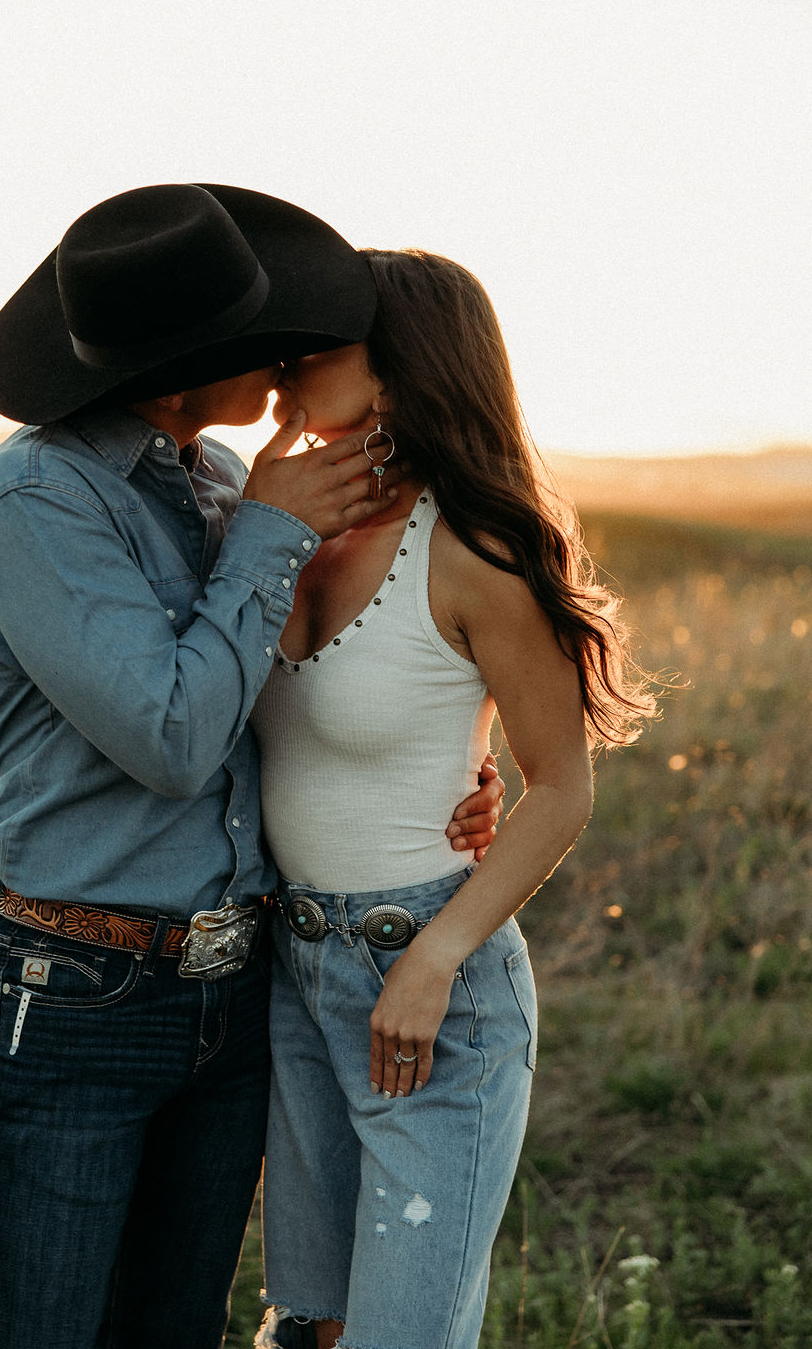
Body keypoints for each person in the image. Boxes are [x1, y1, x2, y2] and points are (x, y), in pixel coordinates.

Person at [0, 184, 503, 1349]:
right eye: (261, 342)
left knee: (173, 1327)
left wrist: (460, 757)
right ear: (183, 368)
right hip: (77, 992)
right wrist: (269, 532)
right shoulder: (38, 495)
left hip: (236, 989)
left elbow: (278, 686)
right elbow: (173, 735)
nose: (285, 359)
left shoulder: (209, 483)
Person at [242, 249, 658, 1349]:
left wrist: (433, 959)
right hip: (294, 971)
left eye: (313, 349)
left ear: (398, 366)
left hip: (432, 989)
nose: (281, 372)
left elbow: (559, 787)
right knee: (308, 1328)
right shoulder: (279, 535)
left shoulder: (477, 552)